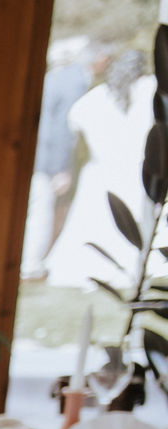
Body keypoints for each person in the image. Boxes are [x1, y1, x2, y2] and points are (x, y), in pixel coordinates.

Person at [46, 49, 157, 290]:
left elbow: (73, 122)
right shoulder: (150, 91)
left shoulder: (95, 99)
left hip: (105, 173)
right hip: (129, 171)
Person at [23, 38, 94, 279]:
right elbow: (62, 129)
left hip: (36, 156)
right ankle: (31, 264)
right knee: (41, 211)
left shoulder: (51, 79)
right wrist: (60, 168)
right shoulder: (72, 82)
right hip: (46, 160)